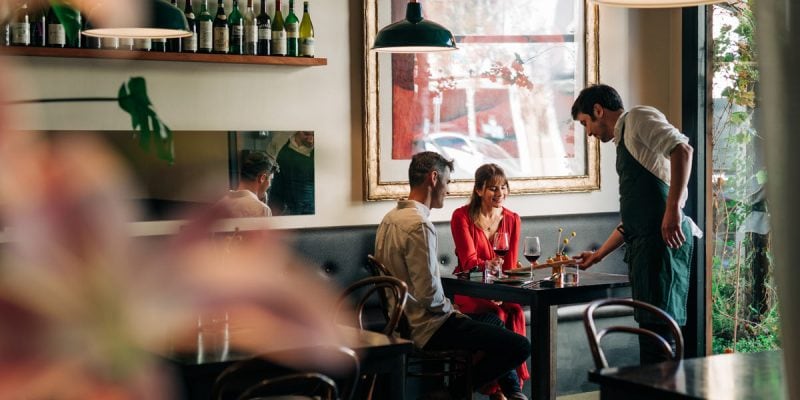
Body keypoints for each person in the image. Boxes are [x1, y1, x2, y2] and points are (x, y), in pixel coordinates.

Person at [375, 151, 530, 400]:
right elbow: (431, 297)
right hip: (428, 327)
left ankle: (499, 393)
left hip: (401, 322)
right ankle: (453, 394)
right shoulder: (420, 225)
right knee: (520, 346)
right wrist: (453, 310)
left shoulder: (390, 218)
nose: (447, 190)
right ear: (433, 178)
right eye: (447, 182)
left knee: (495, 321)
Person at [570, 84, 700, 365]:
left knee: (661, 338)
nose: (589, 133)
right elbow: (634, 219)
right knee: (651, 336)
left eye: (585, 124)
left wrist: (674, 209)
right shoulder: (624, 141)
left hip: (663, 247)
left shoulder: (638, 117)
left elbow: (683, 150)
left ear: (597, 110)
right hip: (645, 248)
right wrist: (597, 256)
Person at [450, 163, 529, 392]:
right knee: (497, 313)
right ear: (479, 190)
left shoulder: (513, 219)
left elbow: (510, 265)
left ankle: (500, 391)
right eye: (493, 188)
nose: (500, 193)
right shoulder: (461, 217)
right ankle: (507, 391)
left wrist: (500, 291)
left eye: (504, 187)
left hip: (500, 290)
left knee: (512, 309)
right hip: (470, 290)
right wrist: (487, 267)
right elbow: (468, 263)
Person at [217, 150, 279, 217]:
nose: (269, 185)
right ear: (262, 178)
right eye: (270, 179)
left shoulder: (219, 205)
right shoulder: (262, 209)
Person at [268, 131, 315, 215]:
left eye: (314, 135)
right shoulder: (280, 141)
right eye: (306, 134)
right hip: (282, 205)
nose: (311, 139)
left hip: (309, 210)